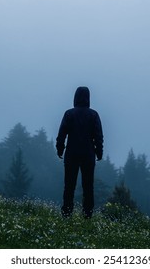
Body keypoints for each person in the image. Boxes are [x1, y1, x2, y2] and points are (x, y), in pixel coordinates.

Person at [56, 86, 103, 219]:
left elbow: (62, 134)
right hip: (88, 155)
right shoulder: (94, 115)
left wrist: (60, 149)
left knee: (69, 186)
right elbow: (98, 136)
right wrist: (99, 152)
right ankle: (87, 216)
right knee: (88, 187)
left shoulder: (69, 114)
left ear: (75, 97)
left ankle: (66, 214)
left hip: (71, 153)